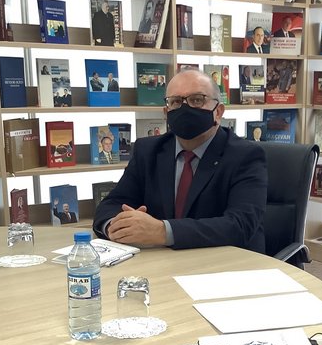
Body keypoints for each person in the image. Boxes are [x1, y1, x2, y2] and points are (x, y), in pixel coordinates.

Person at [92, 69, 267, 253]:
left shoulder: (246, 155)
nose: (185, 109)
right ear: (166, 112)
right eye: (176, 102)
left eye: (197, 100)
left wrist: (162, 231)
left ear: (218, 111)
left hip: (228, 262)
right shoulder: (147, 151)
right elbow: (110, 205)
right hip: (164, 261)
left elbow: (240, 225)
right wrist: (117, 227)